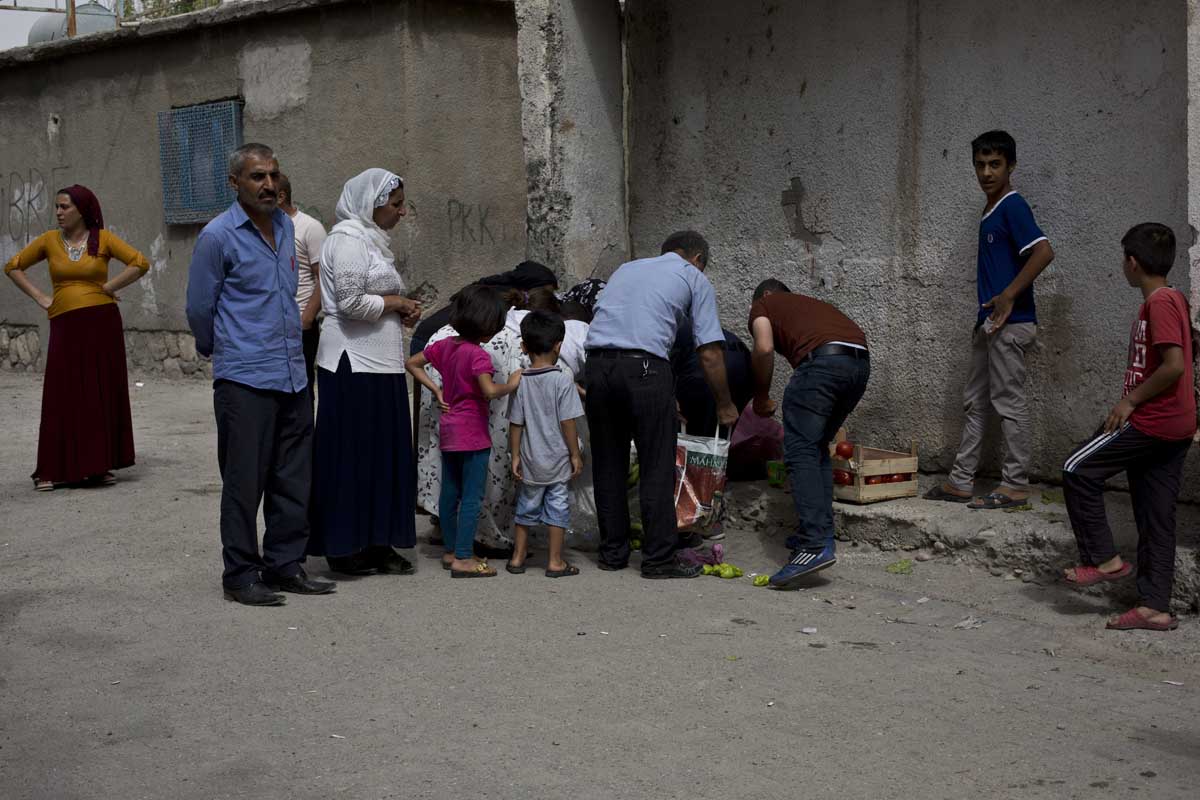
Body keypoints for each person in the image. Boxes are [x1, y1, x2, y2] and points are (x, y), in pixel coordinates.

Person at [187, 142, 335, 606]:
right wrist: (224, 351)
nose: (269, 185)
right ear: (235, 184)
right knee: (244, 481)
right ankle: (241, 574)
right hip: (245, 377)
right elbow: (199, 307)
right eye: (257, 177)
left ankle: (285, 564)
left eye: (273, 175)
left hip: (292, 371)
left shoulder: (288, 228)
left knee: (293, 477)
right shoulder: (217, 236)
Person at [1061, 224, 1194, 632]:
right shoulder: (1171, 301)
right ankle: (1155, 605)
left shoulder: (1160, 304)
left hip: (1153, 421)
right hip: (1175, 425)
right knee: (1155, 515)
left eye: (1123, 259)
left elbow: (1173, 365)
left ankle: (1103, 559)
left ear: (1132, 264)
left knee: (1076, 469)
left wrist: (1131, 401)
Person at [584, 230, 737, 579]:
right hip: (645, 368)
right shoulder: (692, 276)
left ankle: (613, 554)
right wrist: (725, 404)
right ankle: (658, 559)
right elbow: (711, 353)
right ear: (697, 259)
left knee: (609, 464)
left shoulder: (627, 269)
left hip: (596, 367)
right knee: (657, 464)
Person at [925, 130, 1055, 509]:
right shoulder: (990, 210)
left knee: (1007, 402)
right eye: (980, 165)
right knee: (975, 402)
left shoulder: (1012, 205)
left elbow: (1044, 252)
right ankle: (961, 481)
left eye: (995, 164)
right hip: (990, 323)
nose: (986, 172)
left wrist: (1009, 296)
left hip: (1011, 325)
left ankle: (1016, 484)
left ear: (1010, 166)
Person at [306, 168, 423, 577]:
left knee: (383, 454)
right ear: (372, 204)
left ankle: (379, 541)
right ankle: (343, 544)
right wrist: (395, 303)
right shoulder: (348, 240)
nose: (402, 212)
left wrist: (400, 309)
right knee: (351, 454)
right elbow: (353, 304)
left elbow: (376, 300)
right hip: (352, 364)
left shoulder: (373, 242)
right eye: (395, 204)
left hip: (383, 363)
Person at [4, 184, 149, 491]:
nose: (58, 212)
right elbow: (13, 266)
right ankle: (52, 469)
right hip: (65, 325)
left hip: (102, 324)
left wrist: (110, 287)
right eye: (56, 207)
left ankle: (98, 465)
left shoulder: (103, 240)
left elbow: (140, 263)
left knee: (98, 393)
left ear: (82, 210)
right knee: (63, 392)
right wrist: (42, 298)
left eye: (64, 207)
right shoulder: (48, 241)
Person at [747, 279, 870, 587]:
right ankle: (818, 533)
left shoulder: (764, 304)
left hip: (823, 364)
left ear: (764, 296)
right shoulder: (812, 306)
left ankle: (814, 545)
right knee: (815, 449)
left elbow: (763, 347)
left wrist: (761, 395)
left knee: (800, 450)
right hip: (859, 364)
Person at [407, 285, 522, 578]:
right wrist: (511, 383)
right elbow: (489, 391)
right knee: (472, 496)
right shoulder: (479, 356)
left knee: (449, 493)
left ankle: (450, 549)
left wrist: (436, 389)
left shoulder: (444, 346)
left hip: (449, 430)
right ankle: (463, 557)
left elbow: (412, 363)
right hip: (473, 434)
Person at [507, 310, 585, 577]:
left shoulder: (521, 382)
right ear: (558, 346)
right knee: (558, 507)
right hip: (558, 459)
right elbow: (568, 422)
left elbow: (516, 423)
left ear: (524, 347)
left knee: (526, 506)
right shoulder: (563, 381)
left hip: (530, 459)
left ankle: (517, 558)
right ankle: (554, 561)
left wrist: (515, 455)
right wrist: (575, 454)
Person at [408, 260, 558, 356]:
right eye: (547, 291)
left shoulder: (496, 290)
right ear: (532, 288)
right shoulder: (503, 300)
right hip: (432, 342)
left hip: (428, 337)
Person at [277, 174, 327, 398]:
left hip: (300, 325)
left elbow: (324, 278)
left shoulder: (309, 227)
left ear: (280, 197)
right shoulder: (265, 228)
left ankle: (305, 433)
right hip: (272, 325)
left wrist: (306, 318)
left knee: (302, 386)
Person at [670, 326, 754, 437]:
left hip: (697, 383)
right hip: (736, 388)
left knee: (684, 442)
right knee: (717, 444)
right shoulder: (732, 339)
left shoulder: (676, 331)